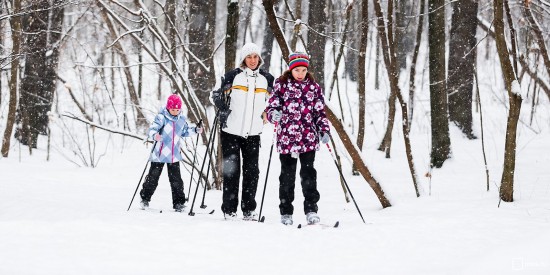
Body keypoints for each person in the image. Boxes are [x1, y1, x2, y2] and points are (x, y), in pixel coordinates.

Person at [264, 52, 331, 225]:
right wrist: (274, 114)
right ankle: (286, 212)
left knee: (308, 175)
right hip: (287, 138)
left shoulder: (314, 87)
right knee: (287, 176)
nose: (300, 73)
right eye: (297, 70)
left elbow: (319, 112)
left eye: (303, 70)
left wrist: (323, 130)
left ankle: (311, 210)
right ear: (291, 69)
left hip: (308, 138)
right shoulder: (281, 85)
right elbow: (271, 106)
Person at [211, 43, 274, 220]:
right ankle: (229, 210)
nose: (252, 60)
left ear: (259, 59)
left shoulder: (267, 79)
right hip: (231, 131)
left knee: (252, 172)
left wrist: (272, 112)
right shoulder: (232, 76)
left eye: (255, 57)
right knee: (232, 171)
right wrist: (220, 103)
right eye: (249, 57)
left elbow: (274, 102)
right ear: (243, 59)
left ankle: (248, 210)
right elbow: (214, 93)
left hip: (253, 133)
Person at [140, 94, 203, 212]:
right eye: (172, 109)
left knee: (176, 180)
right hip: (159, 154)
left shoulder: (181, 119)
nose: (175, 112)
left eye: (177, 109)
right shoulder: (161, 118)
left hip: (173, 155)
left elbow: (184, 132)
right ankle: (145, 198)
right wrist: (155, 135)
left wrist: (195, 130)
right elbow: (152, 130)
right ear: (168, 108)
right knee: (153, 178)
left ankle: (179, 203)